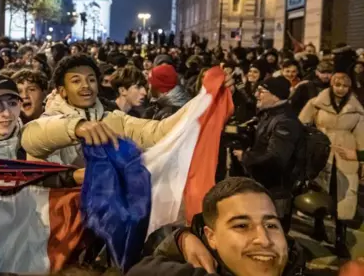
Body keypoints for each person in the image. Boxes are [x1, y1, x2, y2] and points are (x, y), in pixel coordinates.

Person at [21, 55, 219, 167]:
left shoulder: (113, 120)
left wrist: (204, 101)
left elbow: (157, 131)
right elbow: (32, 137)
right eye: (76, 81)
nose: (86, 86)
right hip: (55, 223)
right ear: (62, 91)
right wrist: (76, 127)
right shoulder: (49, 119)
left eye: (91, 79)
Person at [128, 177, 306, 276]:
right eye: (242, 225)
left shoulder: (299, 263)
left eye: (271, 225)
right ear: (211, 237)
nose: (264, 240)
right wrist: (181, 240)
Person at [299, 73, 364, 258]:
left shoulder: (356, 109)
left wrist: (360, 159)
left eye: (345, 85)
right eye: (338, 85)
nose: (341, 89)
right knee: (320, 191)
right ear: (332, 84)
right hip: (321, 154)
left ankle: (340, 239)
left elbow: (362, 137)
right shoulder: (316, 103)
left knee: (344, 198)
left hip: (345, 156)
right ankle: (318, 226)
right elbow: (301, 124)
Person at [232, 76, 302, 232]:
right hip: (264, 183)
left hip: (276, 189)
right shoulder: (269, 114)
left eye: (261, 91)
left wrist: (245, 157)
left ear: (275, 95)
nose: (257, 95)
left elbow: (277, 158)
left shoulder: (285, 122)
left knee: (274, 230)